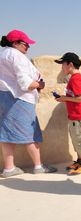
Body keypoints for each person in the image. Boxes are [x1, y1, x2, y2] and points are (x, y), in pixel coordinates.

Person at [0, 29, 57, 178]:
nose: (28, 47)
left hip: (4, 97)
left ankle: (8, 168)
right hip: (21, 99)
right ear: (16, 43)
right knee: (31, 134)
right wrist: (40, 85)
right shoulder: (17, 56)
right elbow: (25, 83)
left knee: (6, 134)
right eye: (26, 44)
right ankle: (38, 166)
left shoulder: (3, 54)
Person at [54, 52, 81, 175]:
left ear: (70, 64)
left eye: (63, 64)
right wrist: (64, 97)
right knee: (77, 140)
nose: (62, 67)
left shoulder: (76, 79)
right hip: (76, 115)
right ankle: (80, 161)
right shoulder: (75, 78)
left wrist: (65, 99)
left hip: (80, 115)